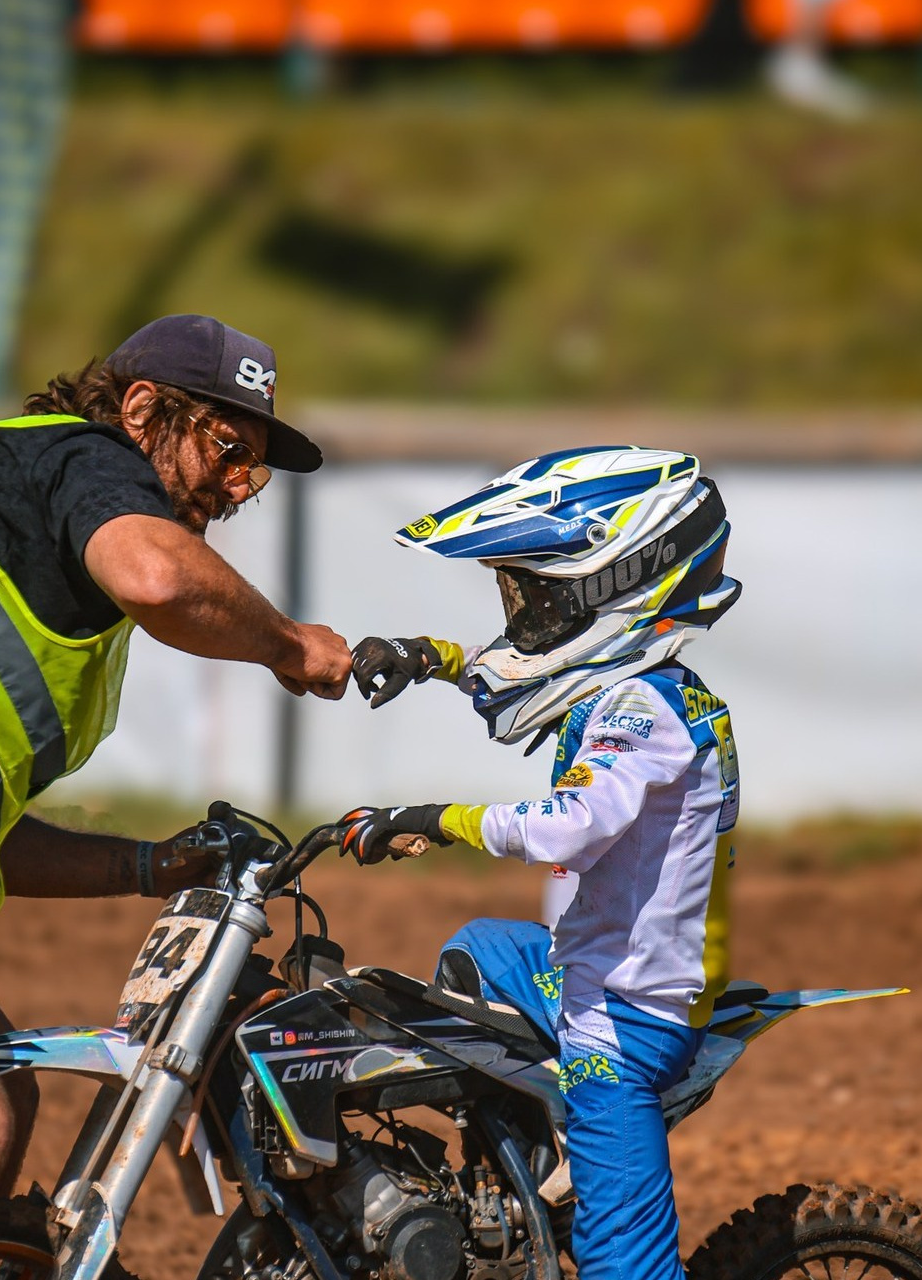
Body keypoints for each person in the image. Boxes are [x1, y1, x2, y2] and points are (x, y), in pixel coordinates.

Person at [0, 313, 351, 1280]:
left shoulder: (16, 539)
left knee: (4, 1092)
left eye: (259, 467)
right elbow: (154, 574)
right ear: (143, 409)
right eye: (230, 449)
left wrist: (147, 867)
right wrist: (287, 643)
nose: (245, 486)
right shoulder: (84, 457)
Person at [340, 446, 741, 1280]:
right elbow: (510, 678)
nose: (522, 618)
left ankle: (575, 1163)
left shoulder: (645, 707)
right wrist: (430, 658)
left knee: (621, 1266)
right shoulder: (627, 688)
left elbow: (571, 827)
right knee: (480, 950)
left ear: (617, 587)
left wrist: (433, 819)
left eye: (538, 599)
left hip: (629, 1024)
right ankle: (517, 1175)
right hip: (585, 970)